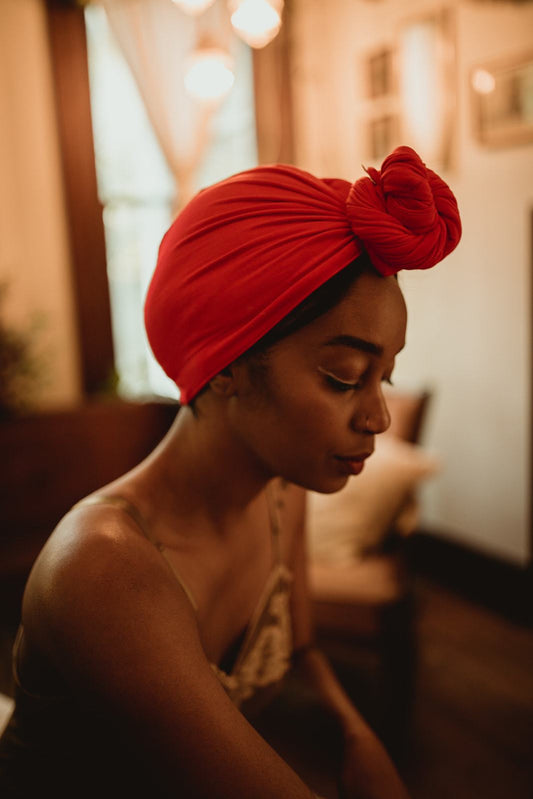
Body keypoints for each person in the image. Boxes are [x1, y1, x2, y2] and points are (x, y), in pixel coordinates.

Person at [0, 146, 461, 798]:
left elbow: (298, 650)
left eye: (382, 376)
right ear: (227, 366)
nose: (380, 417)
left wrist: (355, 732)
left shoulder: (280, 492)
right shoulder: (104, 567)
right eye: (344, 377)